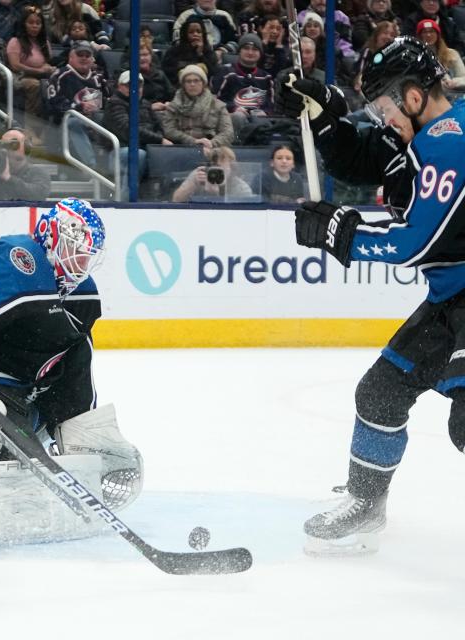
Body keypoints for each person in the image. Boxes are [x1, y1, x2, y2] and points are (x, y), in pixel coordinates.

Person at [287, 37, 465, 555]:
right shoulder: (420, 139)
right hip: (451, 297)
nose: (381, 118)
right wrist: (324, 119)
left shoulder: (451, 143)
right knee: (380, 394)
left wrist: (341, 234)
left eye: (384, 107)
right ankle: (367, 504)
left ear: (413, 97)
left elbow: (415, 243)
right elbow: (366, 158)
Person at [0, 198, 141, 546]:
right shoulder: (18, 261)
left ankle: (75, 434)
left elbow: (76, 363)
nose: (83, 262)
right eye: (77, 250)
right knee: (8, 450)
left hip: (20, 400)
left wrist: (75, 419)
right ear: (51, 237)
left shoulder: (84, 294)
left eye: (89, 254)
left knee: (76, 347)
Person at [103, 69, 171, 198]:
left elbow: (158, 127)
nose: (135, 88)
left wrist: (159, 141)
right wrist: (158, 140)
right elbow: (128, 130)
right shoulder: (115, 103)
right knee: (138, 155)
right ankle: (125, 199)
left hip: (147, 148)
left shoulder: (145, 104)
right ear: (120, 86)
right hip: (118, 152)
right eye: (129, 85)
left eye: (139, 85)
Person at [44, 40, 109, 167]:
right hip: (64, 125)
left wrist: (98, 106)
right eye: (80, 55)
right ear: (71, 57)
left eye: (87, 55)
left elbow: (109, 102)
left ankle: (114, 167)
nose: (84, 58)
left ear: (92, 59)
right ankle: (92, 166)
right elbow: (52, 105)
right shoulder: (60, 76)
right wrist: (80, 107)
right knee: (74, 122)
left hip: (94, 122)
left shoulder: (98, 78)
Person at [211, 32, 274, 133]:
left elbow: (270, 105)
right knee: (238, 117)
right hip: (230, 117)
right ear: (239, 51)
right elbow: (215, 101)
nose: (250, 52)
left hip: (256, 119)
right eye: (246, 48)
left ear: (260, 53)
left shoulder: (266, 77)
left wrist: (265, 112)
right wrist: (233, 108)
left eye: (254, 49)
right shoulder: (226, 72)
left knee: (261, 119)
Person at [0, 126, 51, 200]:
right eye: (5, 144)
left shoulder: (37, 173)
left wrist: (8, 178)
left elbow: (38, 195)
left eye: (14, 144)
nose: (8, 148)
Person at [160, 64, 234, 149]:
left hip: (212, 149)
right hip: (182, 148)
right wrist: (192, 141)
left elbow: (228, 133)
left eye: (196, 81)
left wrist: (212, 143)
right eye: (188, 81)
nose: (192, 84)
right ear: (183, 85)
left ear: (203, 83)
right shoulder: (173, 106)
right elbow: (169, 130)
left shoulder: (218, 105)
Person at [4, 5, 55, 120]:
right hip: (19, 78)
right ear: (24, 24)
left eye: (38, 23)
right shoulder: (15, 41)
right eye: (31, 23)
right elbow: (15, 66)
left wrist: (50, 69)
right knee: (35, 85)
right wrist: (39, 70)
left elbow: (46, 63)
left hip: (41, 77)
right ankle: (31, 128)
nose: (35, 26)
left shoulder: (44, 43)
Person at [171, 145, 253, 202]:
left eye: (220, 167)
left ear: (232, 168)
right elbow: (176, 200)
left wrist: (215, 196)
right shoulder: (200, 175)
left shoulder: (241, 188)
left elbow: (239, 217)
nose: (216, 171)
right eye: (213, 166)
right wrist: (192, 185)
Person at [161, 15, 218, 87]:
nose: (195, 34)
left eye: (199, 32)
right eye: (191, 32)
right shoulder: (173, 51)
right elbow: (168, 73)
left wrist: (200, 54)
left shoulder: (208, 52)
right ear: (185, 34)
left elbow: (214, 74)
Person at [171, 0, 238, 61]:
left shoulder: (225, 16)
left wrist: (221, 51)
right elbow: (177, 41)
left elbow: (234, 42)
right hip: (191, 59)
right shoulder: (185, 16)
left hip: (220, 60)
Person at [418, 18, 465, 90]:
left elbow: (463, 78)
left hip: (454, 94)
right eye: (424, 32)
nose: (428, 35)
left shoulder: (451, 53)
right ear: (419, 36)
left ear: (438, 35)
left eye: (432, 31)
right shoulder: (416, 56)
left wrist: (453, 82)